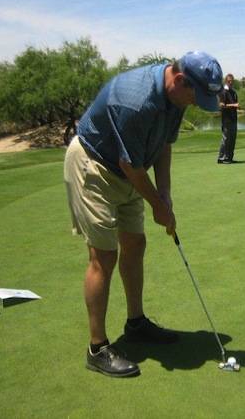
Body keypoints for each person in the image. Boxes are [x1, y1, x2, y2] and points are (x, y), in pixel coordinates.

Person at [64, 51, 223, 377]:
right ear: (180, 80)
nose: (196, 103)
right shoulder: (135, 101)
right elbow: (130, 165)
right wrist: (156, 205)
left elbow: (163, 146)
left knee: (135, 244)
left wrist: (164, 195)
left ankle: (136, 324)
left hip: (126, 171)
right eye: (197, 95)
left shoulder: (175, 99)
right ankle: (97, 348)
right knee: (103, 256)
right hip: (94, 167)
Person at [217, 74, 239, 164]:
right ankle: (221, 158)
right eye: (229, 81)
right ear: (226, 81)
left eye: (232, 81)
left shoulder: (233, 92)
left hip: (234, 119)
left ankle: (229, 158)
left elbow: (235, 104)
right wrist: (233, 105)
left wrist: (235, 106)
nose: (230, 82)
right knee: (226, 139)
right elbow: (221, 105)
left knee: (232, 139)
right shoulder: (223, 92)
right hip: (226, 119)